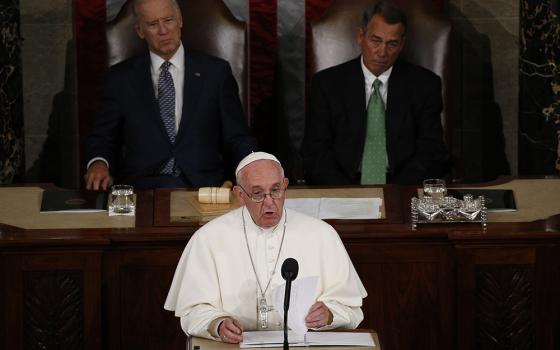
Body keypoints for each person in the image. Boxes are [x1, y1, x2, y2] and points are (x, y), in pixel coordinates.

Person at [164, 151, 367, 343]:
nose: (269, 202)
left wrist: (330, 314)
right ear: (240, 195)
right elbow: (192, 311)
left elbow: (351, 309)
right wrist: (217, 324)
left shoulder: (322, 234)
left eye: (276, 190)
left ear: (285, 185)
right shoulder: (208, 238)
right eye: (258, 193)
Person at [84, 0, 256, 190]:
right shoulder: (120, 78)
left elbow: (237, 137)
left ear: (180, 21)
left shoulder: (216, 72)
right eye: (153, 24)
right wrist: (98, 163)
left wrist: (254, 166)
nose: (163, 31)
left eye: (168, 20)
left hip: (204, 188)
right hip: (142, 189)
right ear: (140, 31)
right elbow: (103, 137)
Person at [301, 0, 449, 185]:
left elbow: (431, 150)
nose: (382, 52)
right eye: (376, 41)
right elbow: (316, 151)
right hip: (343, 184)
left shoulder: (425, 85)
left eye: (392, 44)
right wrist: (346, 193)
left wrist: (396, 190)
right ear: (361, 36)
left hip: (402, 184)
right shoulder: (327, 84)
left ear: (402, 45)